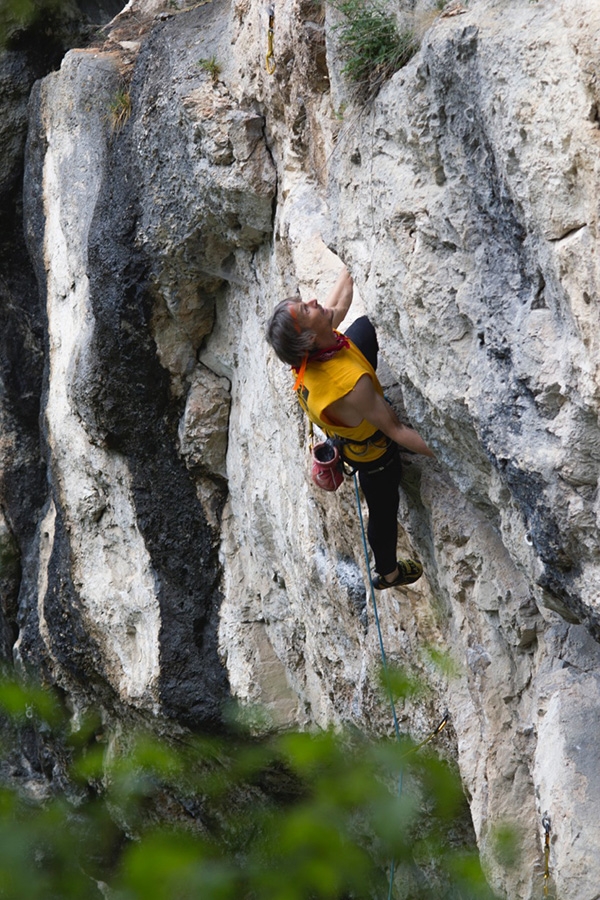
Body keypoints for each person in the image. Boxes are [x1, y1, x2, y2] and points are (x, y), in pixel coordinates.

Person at [266, 265, 434, 589]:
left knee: (363, 327)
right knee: (383, 513)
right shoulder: (350, 385)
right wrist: (451, 454)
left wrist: (352, 264)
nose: (313, 301)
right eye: (305, 308)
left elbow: (337, 305)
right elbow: (396, 431)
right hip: (373, 455)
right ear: (309, 339)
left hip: (340, 408)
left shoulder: (307, 353)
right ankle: (389, 573)